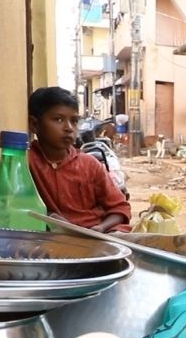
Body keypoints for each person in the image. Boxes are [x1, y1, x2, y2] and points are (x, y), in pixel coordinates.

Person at [27, 87, 132, 233]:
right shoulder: (26, 162)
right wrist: (52, 218)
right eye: (58, 119)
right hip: (54, 240)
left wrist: (101, 228)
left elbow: (119, 207)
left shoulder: (90, 165)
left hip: (101, 236)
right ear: (34, 125)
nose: (69, 128)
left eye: (74, 121)